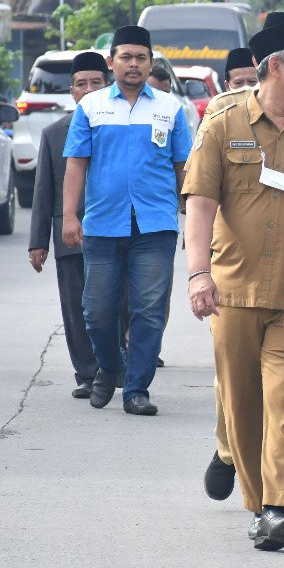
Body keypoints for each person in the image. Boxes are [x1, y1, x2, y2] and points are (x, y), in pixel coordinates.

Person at [183, 11, 284, 551]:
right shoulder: (222, 125)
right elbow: (200, 204)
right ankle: (259, 506)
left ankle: (283, 505)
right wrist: (198, 274)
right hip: (234, 291)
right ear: (275, 67)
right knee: (243, 406)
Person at [62, 25, 191, 416]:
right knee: (97, 311)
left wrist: (194, 216)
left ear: (151, 62)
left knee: (148, 312)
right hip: (103, 225)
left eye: (141, 58)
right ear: (111, 61)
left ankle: (136, 389)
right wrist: (69, 215)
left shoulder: (170, 108)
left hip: (156, 227)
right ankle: (111, 365)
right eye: (126, 57)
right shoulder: (91, 107)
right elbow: (76, 164)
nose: (134, 64)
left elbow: (184, 168)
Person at [28, 52, 108, 397]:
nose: (88, 90)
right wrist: (38, 241)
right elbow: (43, 189)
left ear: (108, 85)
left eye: (96, 83)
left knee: (115, 304)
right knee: (76, 306)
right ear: (72, 91)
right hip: (69, 232)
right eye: (81, 84)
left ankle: (113, 365)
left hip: (114, 229)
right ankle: (87, 374)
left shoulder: (123, 125)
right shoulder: (54, 133)